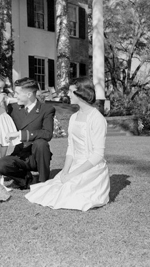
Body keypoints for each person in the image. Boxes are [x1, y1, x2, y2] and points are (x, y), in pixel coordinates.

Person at [25, 77, 110, 211]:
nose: (68, 94)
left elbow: (98, 155)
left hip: (91, 168)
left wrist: (72, 175)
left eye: (71, 91)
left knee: (69, 194)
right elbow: (71, 147)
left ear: (81, 93)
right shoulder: (74, 117)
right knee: (52, 189)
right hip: (74, 164)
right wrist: (65, 171)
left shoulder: (97, 119)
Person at [0, 77, 56, 189]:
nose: (14, 96)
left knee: (41, 143)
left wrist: (20, 134)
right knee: (1, 165)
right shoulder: (13, 108)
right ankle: (25, 178)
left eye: (17, 93)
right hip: (20, 154)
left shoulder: (46, 109)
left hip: (38, 154)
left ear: (29, 94)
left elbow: (47, 133)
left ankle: (43, 182)